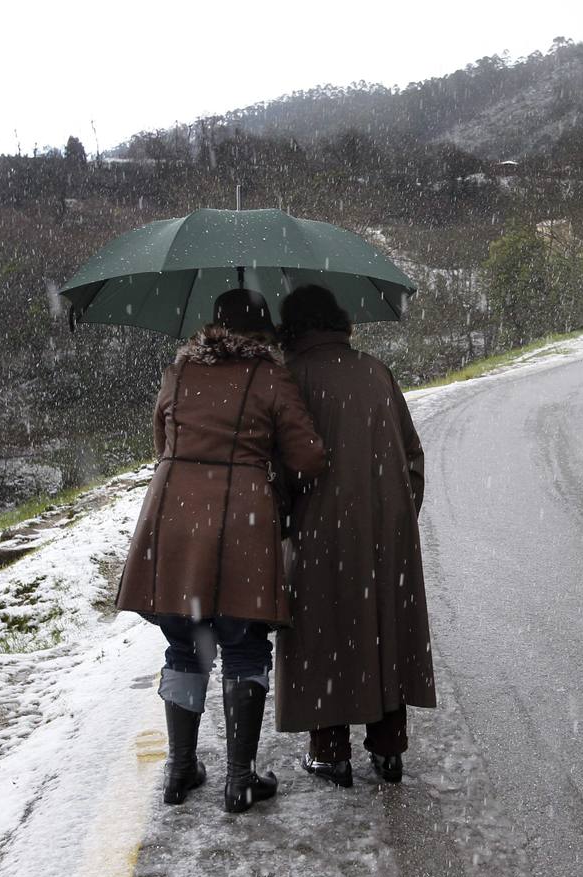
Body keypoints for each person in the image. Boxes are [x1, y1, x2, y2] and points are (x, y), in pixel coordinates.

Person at [115, 288, 327, 813]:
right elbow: (309, 457)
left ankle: (180, 770)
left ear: (212, 327)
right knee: (243, 642)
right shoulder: (270, 376)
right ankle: (239, 779)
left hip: (174, 516)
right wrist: (267, 466)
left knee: (184, 642)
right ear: (263, 331)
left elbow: (162, 441)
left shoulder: (179, 371)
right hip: (242, 523)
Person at [274, 285, 436, 788]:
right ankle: (389, 748)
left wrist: (286, 521)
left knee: (324, 631)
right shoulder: (376, 371)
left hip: (318, 528)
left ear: (291, 328)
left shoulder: (290, 379)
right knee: (383, 627)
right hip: (387, 526)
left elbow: (281, 465)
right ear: (339, 320)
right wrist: (396, 513)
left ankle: (330, 752)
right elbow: (412, 455)